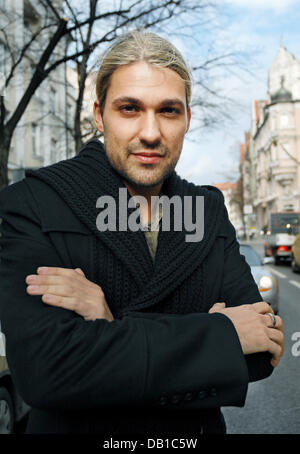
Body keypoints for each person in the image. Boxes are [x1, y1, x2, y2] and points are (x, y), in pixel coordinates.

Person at [0, 31, 283, 435]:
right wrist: (220, 337)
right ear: (100, 115)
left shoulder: (207, 209)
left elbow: (263, 350)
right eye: (129, 108)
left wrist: (108, 322)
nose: (150, 132)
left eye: (168, 111)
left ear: (187, 117)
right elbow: (45, 373)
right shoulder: (35, 202)